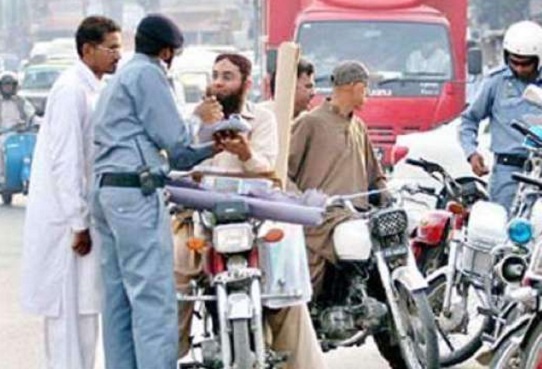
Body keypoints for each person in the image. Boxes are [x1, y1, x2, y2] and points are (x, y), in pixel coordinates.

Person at [89, 14, 227, 369]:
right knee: (153, 298)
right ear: (167, 52)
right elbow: (177, 147)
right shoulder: (149, 74)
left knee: (119, 299)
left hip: (107, 193)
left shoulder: (121, 77)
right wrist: (214, 138)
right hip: (135, 193)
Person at [173, 53, 326, 369]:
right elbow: (177, 162)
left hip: (253, 218)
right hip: (201, 219)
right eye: (215, 75)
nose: (218, 82)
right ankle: (167, 353)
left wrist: (245, 153)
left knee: (286, 286)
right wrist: (197, 126)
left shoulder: (262, 119)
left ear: (246, 83)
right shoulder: (194, 118)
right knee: (174, 276)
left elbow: (267, 169)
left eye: (227, 76)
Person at [20, 16, 121, 369]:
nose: (117, 55)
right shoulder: (69, 90)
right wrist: (78, 222)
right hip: (67, 222)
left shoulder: (94, 88)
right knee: (67, 319)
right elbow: (66, 161)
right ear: (88, 49)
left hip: (83, 215)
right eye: (111, 48)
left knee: (85, 315)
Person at [287, 60, 387, 294]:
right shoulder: (310, 123)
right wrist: (304, 204)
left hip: (358, 218)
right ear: (352, 87)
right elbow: (283, 173)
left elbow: (376, 175)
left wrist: (386, 194)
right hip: (322, 221)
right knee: (310, 294)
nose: (368, 94)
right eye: (365, 87)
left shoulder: (359, 126)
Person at [459, 20, 542, 211]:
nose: (519, 69)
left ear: (539, 59)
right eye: (514, 63)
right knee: (501, 230)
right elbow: (469, 120)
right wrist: (471, 153)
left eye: (526, 64)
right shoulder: (495, 82)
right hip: (507, 172)